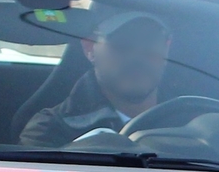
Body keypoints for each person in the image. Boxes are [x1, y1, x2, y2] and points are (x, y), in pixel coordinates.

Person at [20, 10, 175, 146]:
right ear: (89, 48)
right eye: (121, 44)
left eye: (151, 43)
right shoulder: (50, 130)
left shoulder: (194, 118)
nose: (137, 57)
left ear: (167, 49)